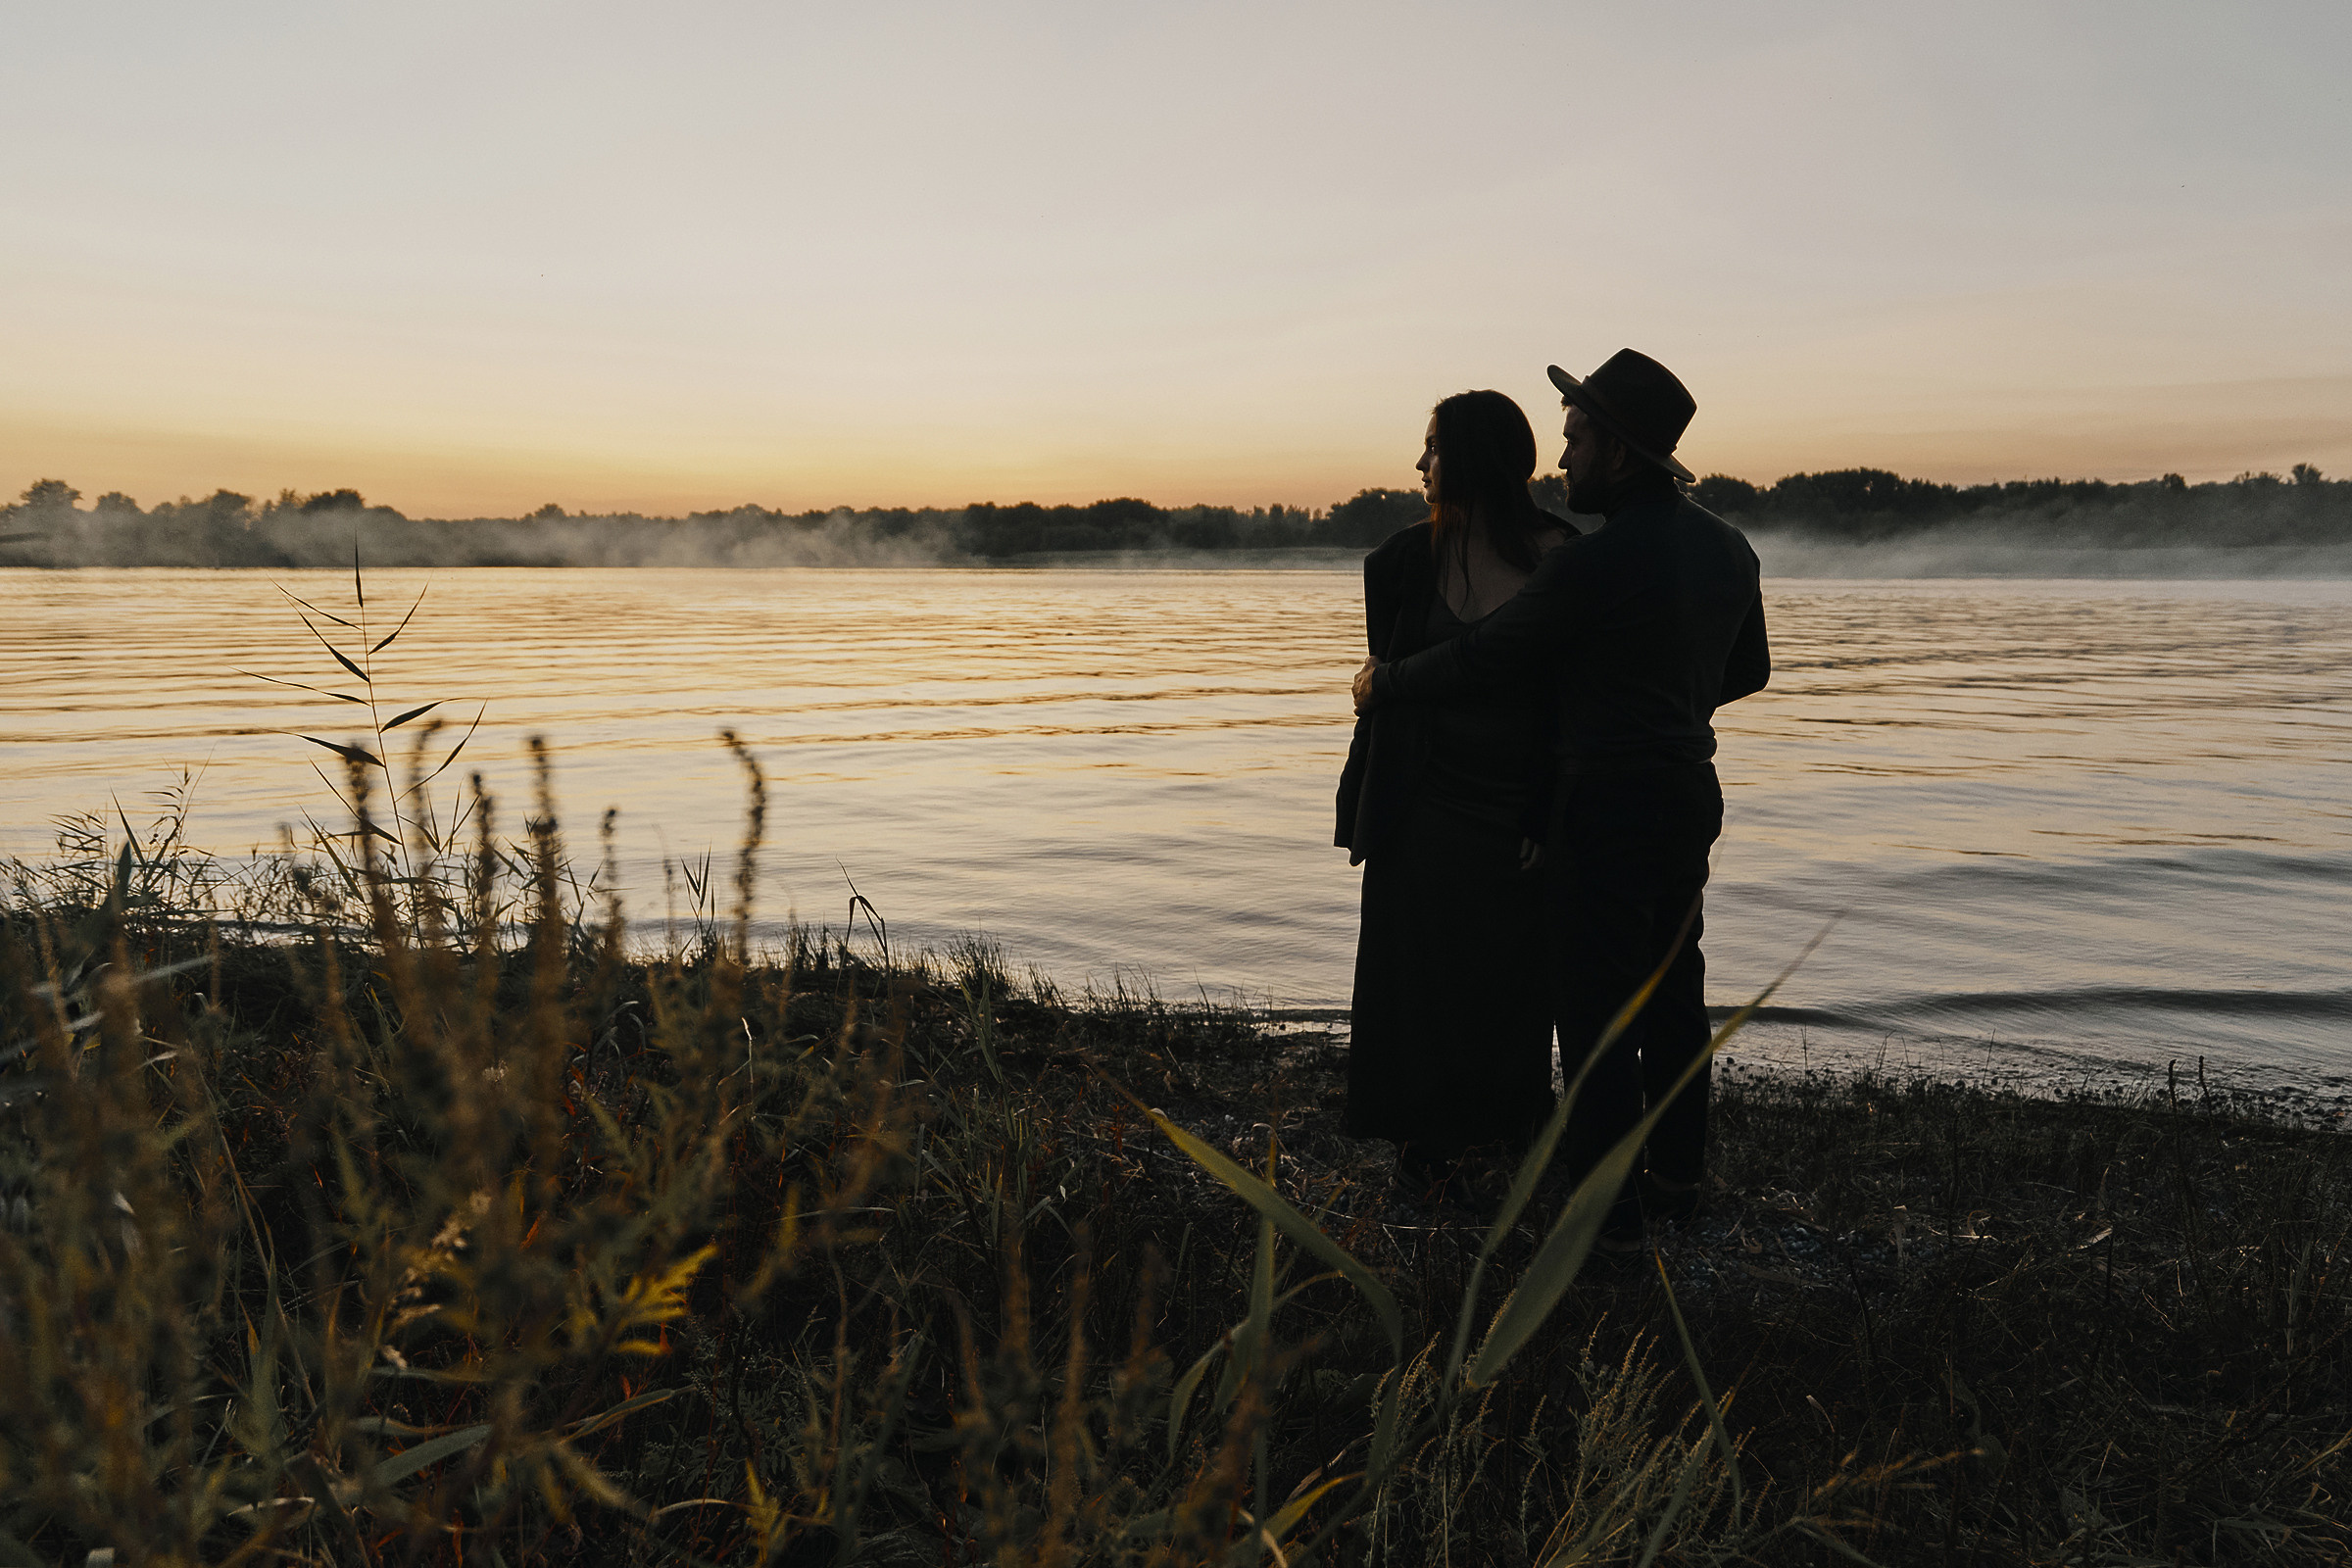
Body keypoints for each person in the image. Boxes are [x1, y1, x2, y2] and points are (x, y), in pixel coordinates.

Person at [1351, 350, 1769, 1241]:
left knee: (1594, 1017)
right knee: (1673, 992)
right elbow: (1751, 670)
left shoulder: (1594, 561)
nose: (1564, 458)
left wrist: (1386, 684)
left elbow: (1490, 655)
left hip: (1602, 802)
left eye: (1577, 439)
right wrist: (1673, 704)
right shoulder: (1731, 547)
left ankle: (1604, 1214)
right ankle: (1677, 1184)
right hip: (1690, 793)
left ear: (1620, 453)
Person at [1336, 389, 1574, 1196]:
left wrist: (1546, 807)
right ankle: (1420, 1145)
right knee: (1412, 975)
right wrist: (1365, 804)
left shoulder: (1560, 558)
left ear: (1473, 456)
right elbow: (1386, 704)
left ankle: (1506, 1133)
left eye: (1433, 446)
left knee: (1508, 980)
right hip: (1420, 804)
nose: (1419, 463)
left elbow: (1569, 706)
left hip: (1516, 808)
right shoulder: (1403, 561)